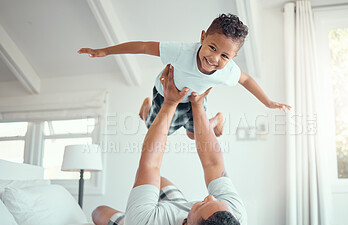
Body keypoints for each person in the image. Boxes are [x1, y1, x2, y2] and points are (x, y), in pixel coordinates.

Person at [92, 64, 247, 225]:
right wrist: (198, 105)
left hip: (149, 220)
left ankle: (139, 208)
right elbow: (213, 163)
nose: (209, 196)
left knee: (97, 212)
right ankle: (147, 115)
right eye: (215, 200)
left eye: (205, 203)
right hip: (178, 206)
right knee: (159, 181)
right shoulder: (234, 215)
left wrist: (170, 103)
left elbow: (150, 164)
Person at [78, 13, 291, 140]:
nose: (215, 58)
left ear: (233, 57)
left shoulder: (228, 70)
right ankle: (146, 107)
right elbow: (143, 47)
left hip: (194, 98)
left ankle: (217, 120)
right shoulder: (181, 51)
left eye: (224, 55)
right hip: (166, 95)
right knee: (156, 131)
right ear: (202, 38)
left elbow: (246, 79)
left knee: (192, 135)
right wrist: (104, 51)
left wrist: (269, 102)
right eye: (212, 47)